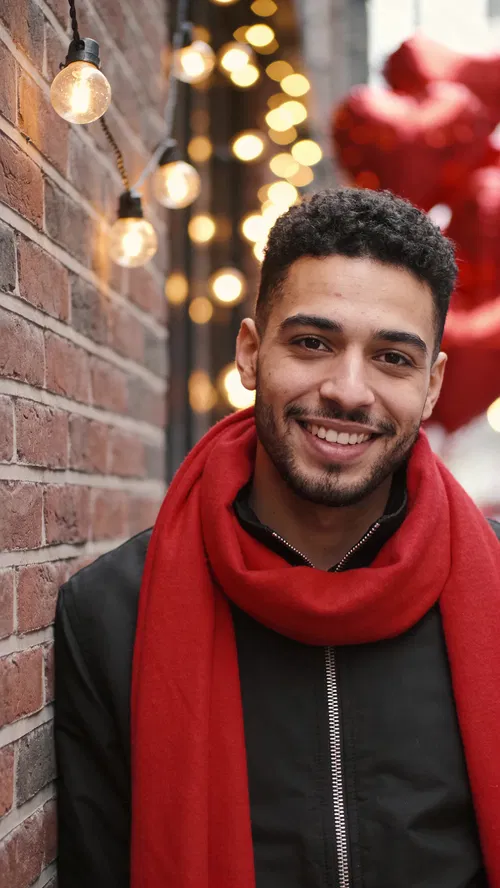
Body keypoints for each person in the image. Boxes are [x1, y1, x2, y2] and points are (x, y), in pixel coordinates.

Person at [55, 187, 500, 888]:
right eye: (313, 343)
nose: (349, 390)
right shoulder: (113, 612)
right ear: (250, 354)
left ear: (433, 385)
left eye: (392, 358)